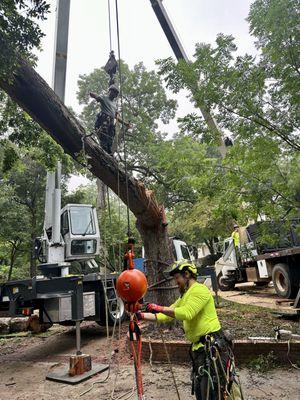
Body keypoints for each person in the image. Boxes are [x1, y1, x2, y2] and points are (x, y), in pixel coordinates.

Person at [136, 259, 243, 399]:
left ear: (186, 274)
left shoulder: (200, 290)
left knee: (214, 392)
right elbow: (166, 316)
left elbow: (187, 313)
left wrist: (159, 307)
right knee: (201, 391)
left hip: (212, 349)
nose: (176, 282)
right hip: (200, 350)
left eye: (177, 278)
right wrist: (141, 315)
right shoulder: (186, 295)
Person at [90, 85, 130, 155]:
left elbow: (116, 117)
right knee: (104, 137)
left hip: (111, 122)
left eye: (115, 94)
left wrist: (126, 124)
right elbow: (93, 95)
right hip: (104, 119)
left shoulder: (114, 104)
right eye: (113, 92)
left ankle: (109, 153)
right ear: (109, 91)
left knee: (110, 138)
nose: (114, 94)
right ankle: (103, 152)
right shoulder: (104, 98)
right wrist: (95, 96)